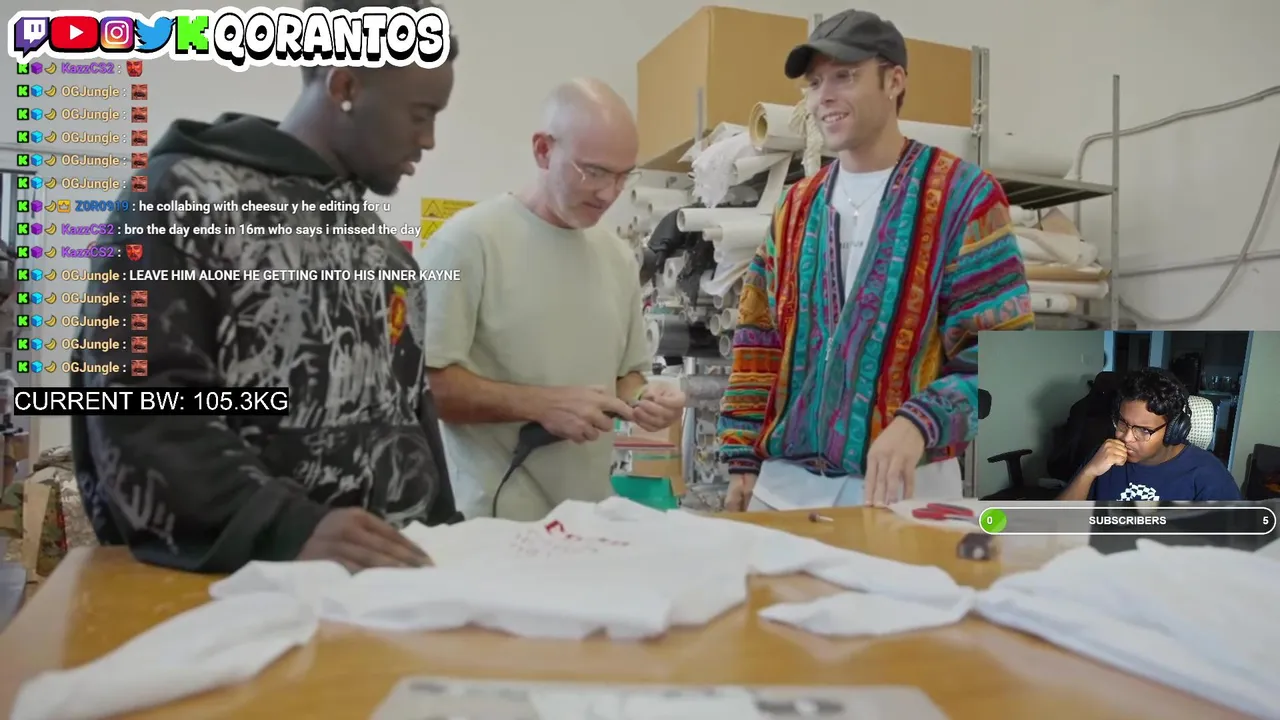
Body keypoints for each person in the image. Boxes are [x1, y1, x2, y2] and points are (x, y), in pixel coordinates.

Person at [70, 0, 461, 573]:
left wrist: (448, 539)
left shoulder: (383, 254)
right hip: (230, 589)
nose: (428, 140)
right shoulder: (181, 199)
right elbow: (138, 405)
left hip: (384, 593)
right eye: (420, 114)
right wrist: (286, 528)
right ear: (346, 85)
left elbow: (410, 420)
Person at [717, 9, 1033, 511]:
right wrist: (741, 457)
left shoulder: (963, 197)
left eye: (845, 76)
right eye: (814, 83)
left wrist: (921, 420)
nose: (823, 96)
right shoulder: (796, 206)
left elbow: (1002, 354)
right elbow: (759, 338)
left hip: (904, 491)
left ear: (894, 80)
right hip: (783, 491)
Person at [420, 78, 685, 519]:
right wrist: (541, 404)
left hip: (588, 518)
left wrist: (646, 399)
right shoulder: (466, 243)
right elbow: (425, 388)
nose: (609, 193)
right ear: (543, 150)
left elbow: (626, 377)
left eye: (623, 175)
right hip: (491, 524)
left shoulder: (618, 257)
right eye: (594, 172)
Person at [1058, 368, 1241, 501]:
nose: (1126, 438)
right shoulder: (1103, 455)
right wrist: (1089, 472)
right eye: (1122, 423)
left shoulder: (1208, 475)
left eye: (1143, 430)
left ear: (1174, 429)